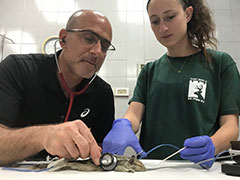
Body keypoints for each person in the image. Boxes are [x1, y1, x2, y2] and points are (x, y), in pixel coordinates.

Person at [102, 0, 240, 169]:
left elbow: (231, 126)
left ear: (187, 14)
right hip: (153, 168)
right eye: (155, 21)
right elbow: (134, 114)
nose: (163, 28)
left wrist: (213, 145)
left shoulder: (219, 64)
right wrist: (124, 125)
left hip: (202, 168)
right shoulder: (150, 71)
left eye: (170, 17)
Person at [0, 10, 115, 166]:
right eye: (88, 38)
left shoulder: (103, 93)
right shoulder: (18, 70)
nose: (97, 51)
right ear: (63, 38)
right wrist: (44, 136)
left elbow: (101, 150)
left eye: (105, 46)